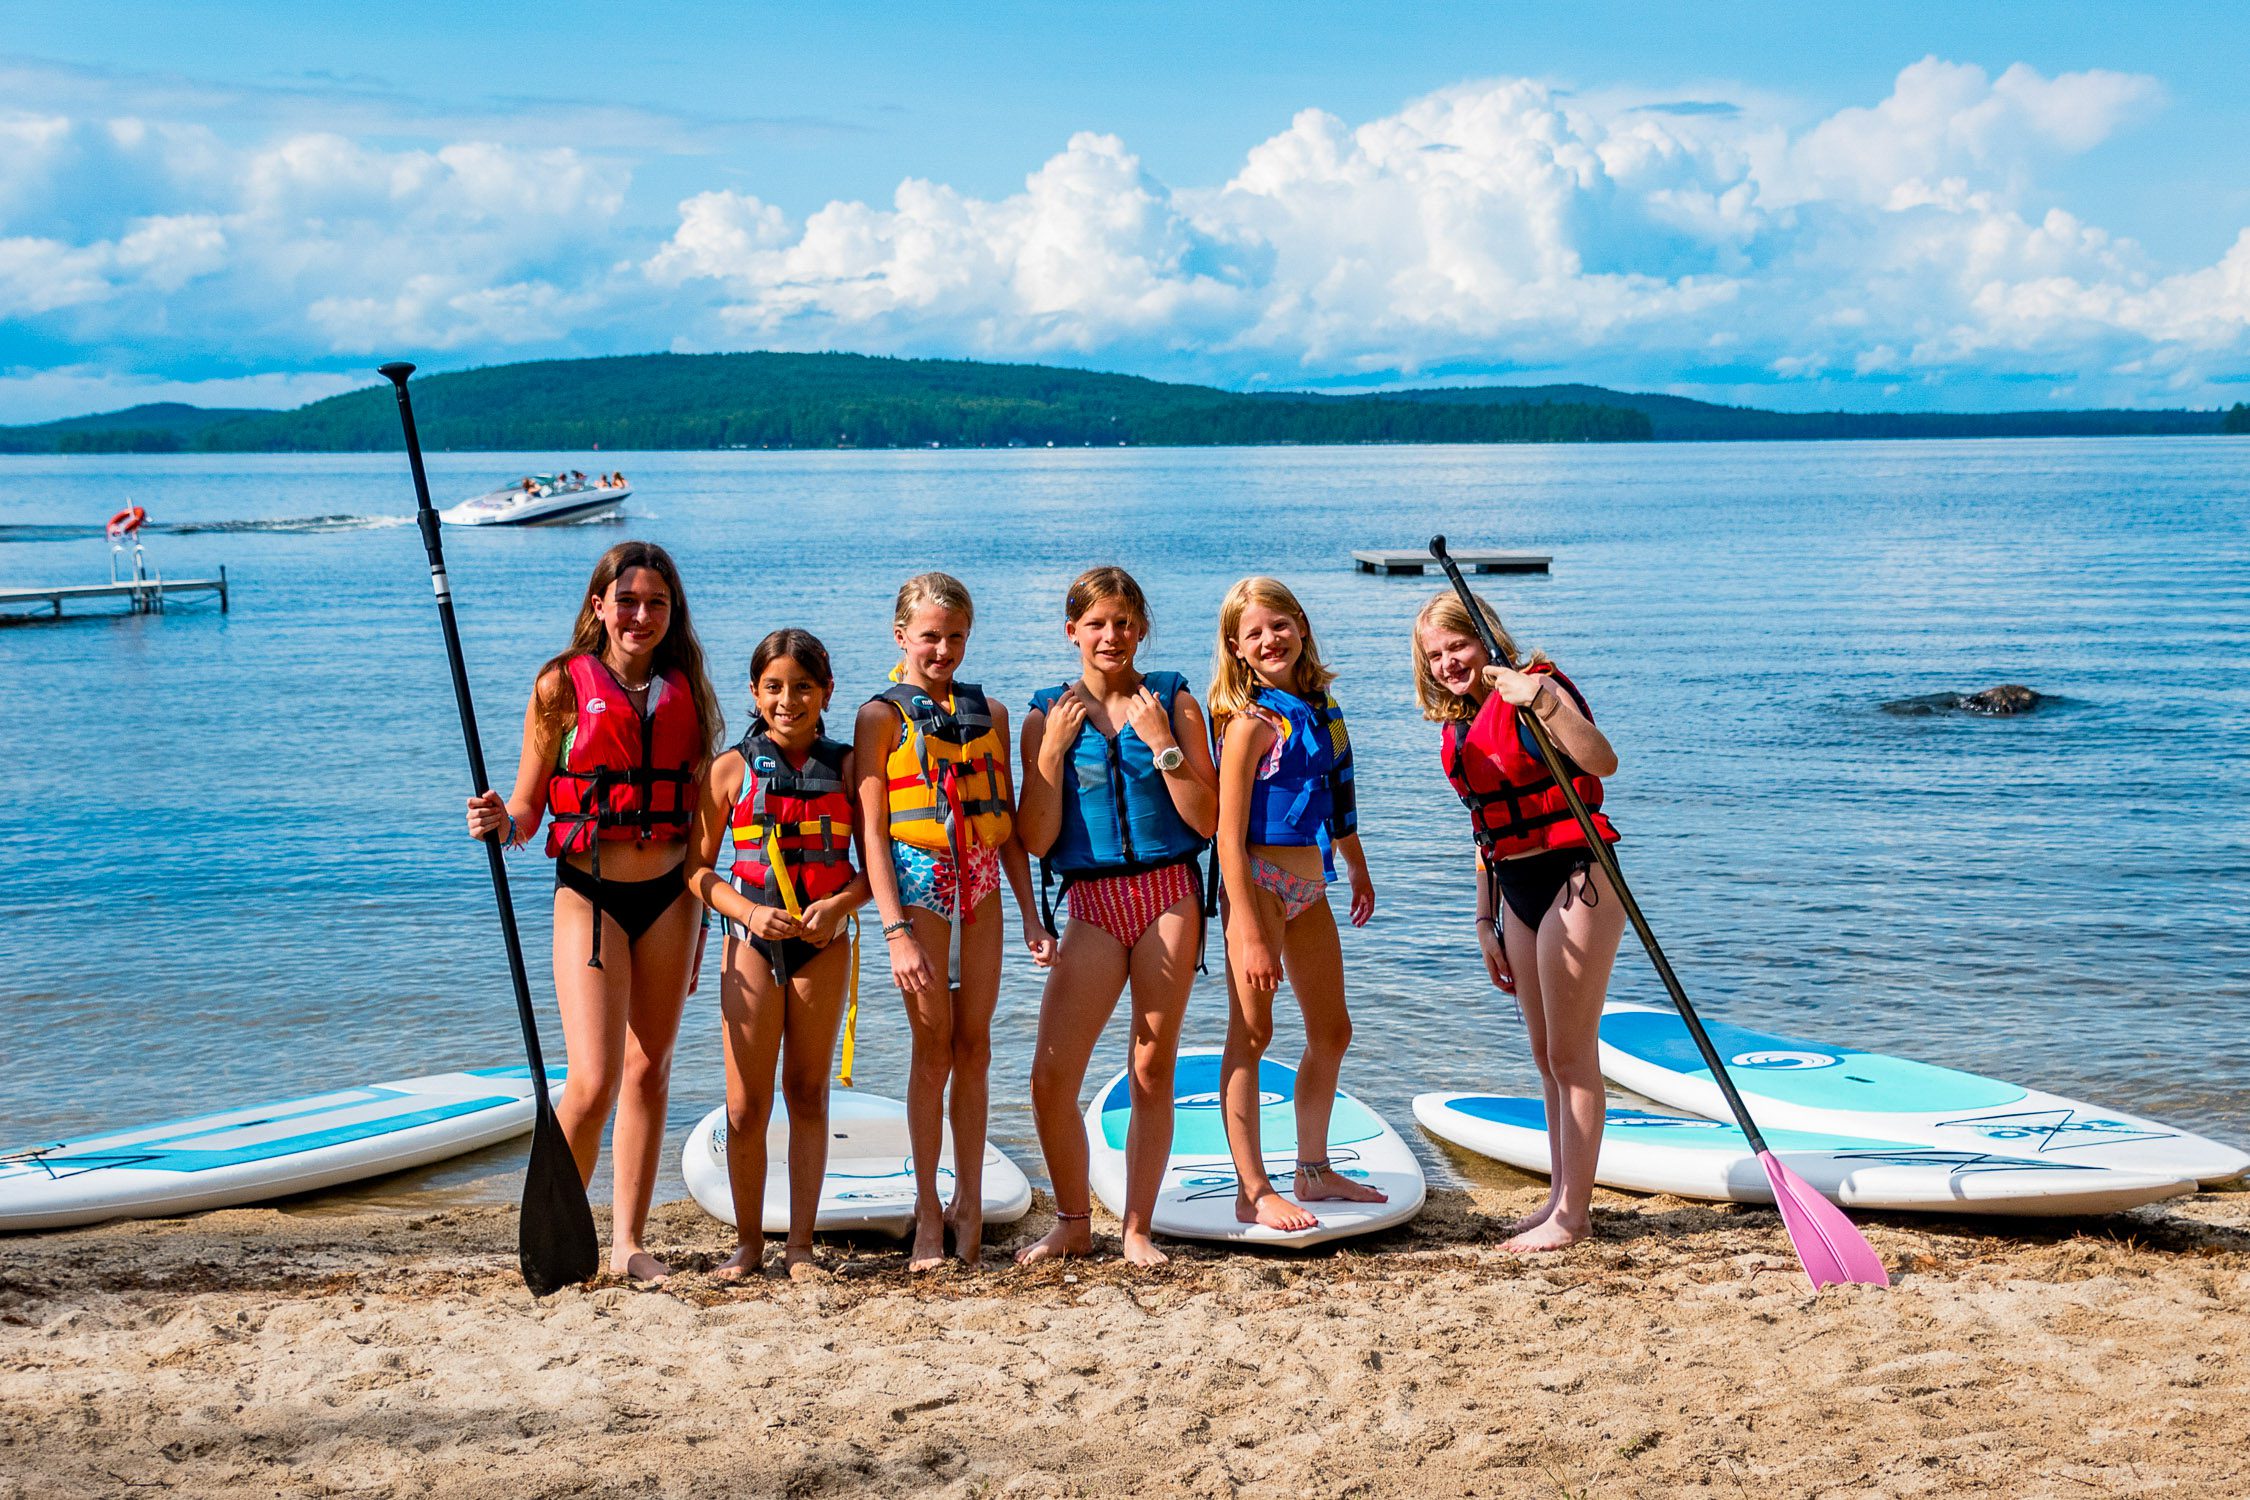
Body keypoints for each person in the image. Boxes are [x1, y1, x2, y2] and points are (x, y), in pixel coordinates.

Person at [465, 541, 722, 1281]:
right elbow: (527, 803)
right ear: (598, 606)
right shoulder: (560, 686)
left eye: (657, 604)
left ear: (673, 614)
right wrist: (501, 822)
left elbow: (702, 818)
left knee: (650, 1071)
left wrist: (708, 916)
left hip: (672, 896)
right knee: (593, 1080)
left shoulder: (687, 688)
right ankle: (557, 1235)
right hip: (590, 891)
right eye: (628, 601)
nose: (641, 616)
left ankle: (631, 1243)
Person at [1013, 568, 1219, 1267]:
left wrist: (1162, 742)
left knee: (1153, 1070)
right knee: (1050, 1079)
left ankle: (1136, 1228)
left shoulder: (1174, 700)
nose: (1111, 636)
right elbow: (1035, 839)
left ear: (1142, 630)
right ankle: (1073, 1221)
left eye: (1124, 623)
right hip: (1093, 905)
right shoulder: (1047, 713)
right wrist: (1048, 754)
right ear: (1071, 630)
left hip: (1168, 893)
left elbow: (1207, 817)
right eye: (1096, 623)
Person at [1413, 589, 1625, 1253]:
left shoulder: (1539, 689)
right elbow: (1483, 827)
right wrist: (1484, 917)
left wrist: (1542, 702)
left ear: (1486, 641)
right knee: (1543, 1056)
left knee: (1571, 1053)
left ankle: (1574, 1217)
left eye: (1460, 646)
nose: (1451, 662)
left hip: (1578, 875)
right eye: (1436, 654)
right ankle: (1560, 1198)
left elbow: (1600, 760)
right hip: (1516, 888)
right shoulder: (1461, 720)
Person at [854, 572, 1054, 1269]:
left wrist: (1033, 915)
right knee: (932, 1050)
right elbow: (872, 833)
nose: (942, 649)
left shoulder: (991, 713)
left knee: (975, 1050)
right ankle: (928, 1213)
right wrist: (893, 929)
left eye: (955, 636)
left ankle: (969, 1204)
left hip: (983, 890)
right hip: (919, 888)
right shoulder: (881, 717)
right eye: (930, 636)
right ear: (902, 635)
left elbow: (1008, 829)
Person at [686, 629, 868, 1280]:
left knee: (809, 1095)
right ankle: (748, 1246)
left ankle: (799, 1248)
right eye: (773, 687)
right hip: (750, 945)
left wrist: (838, 908)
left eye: (802, 687)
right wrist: (749, 911)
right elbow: (697, 872)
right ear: (754, 693)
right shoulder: (730, 769)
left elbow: (876, 870)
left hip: (823, 945)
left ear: (826, 692)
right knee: (744, 1107)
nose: (788, 700)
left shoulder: (850, 769)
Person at [1208, 577, 1385, 1232]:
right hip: (1256, 883)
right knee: (1252, 1033)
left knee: (1332, 1030)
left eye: (1278, 625)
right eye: (1254, 633)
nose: (1269, 639)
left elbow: (1338, 801)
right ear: (1236, 647)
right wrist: (1248, 932)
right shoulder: (1249, 725)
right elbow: (1226, 834)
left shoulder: (1321, 708)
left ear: (1301, 626)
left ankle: (1313, 1170)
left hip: (1312, 889)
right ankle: (1251, 1189)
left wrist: (1358, 865)